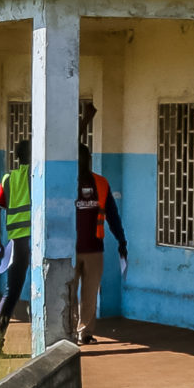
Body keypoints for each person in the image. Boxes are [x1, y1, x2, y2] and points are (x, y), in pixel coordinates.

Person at [71, 145, 128, 345]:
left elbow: (112, 215)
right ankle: (68, 332)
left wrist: (121, 240)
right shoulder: (66, 182)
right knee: (68, 293)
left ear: (90, 159)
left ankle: (84, 333)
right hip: (69, 250)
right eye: (78, 158)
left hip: (94, 249)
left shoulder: (101, 183)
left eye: (84, 157)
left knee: (90, 293)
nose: (81, 161)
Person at [0, 140, 33, 354]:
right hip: (34, 240)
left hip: (15, 242)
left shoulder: (8, 178)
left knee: (12, 292)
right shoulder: (36, 174)